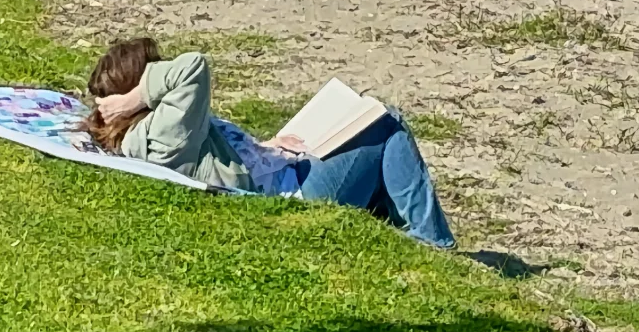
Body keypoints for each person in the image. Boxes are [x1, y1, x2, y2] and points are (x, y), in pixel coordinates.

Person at [85, 38, 454, 249]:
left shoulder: (152, 132)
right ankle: (434, 244)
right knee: (386, 122)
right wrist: (137, 98)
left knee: (363, 131)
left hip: (277, 173)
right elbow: (194, 67)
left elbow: (212, 156)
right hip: (294, 196)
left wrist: (263, 148)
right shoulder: (161, 131)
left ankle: (405, 231)